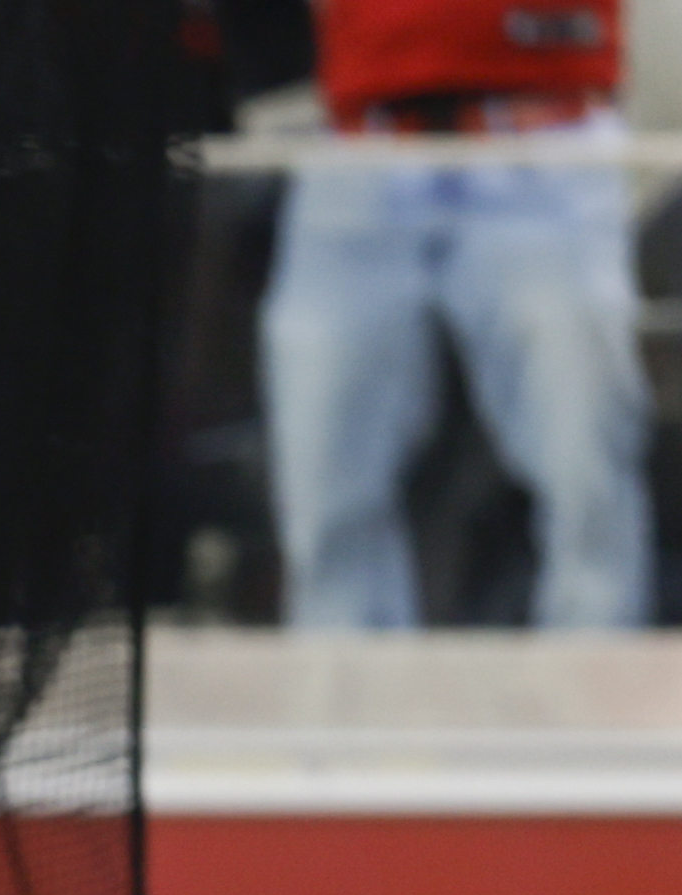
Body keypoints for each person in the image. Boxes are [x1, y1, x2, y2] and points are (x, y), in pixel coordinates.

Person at [261, 0, 650, 627]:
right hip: (361, 145)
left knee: (582, 459)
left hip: (544, 136)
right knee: (322, 473)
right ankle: (347, 701)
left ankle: (597, 699)